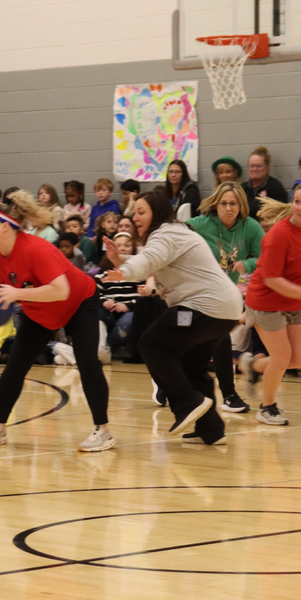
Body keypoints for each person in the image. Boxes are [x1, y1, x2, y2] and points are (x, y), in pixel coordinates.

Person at [100, 190, 242, 445]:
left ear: (158, 212)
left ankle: (188, 402)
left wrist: (124, 269)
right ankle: (210, 429)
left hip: (204, 307)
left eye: (141, 212)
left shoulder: (165, 233)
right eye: (134, 213)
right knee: (191, 365)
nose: (136, 218)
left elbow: (150, 259)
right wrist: (120, 259)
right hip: (223, 310)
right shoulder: (172, 234)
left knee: (150, 344)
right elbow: (152, 259)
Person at [0, 192, 114, 452]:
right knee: (15, 365)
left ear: (5, 226)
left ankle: (104, 432)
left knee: (87, 361)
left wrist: (17, 294)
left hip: (78, 301)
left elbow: (61, 290)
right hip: (40, 311)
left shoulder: (36, 249)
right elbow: (5, 301)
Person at [240, 181, 301, 426]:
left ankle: (252, 364)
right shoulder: (278, 235)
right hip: (265, 301)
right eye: (297, 201)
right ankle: (267, 407)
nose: (300, 207)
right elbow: (271, 280)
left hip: (295, 301)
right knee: (281, 358)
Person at [190, 182, 264, 414]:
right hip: (196, 291)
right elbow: (173, 233)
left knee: (219, 339)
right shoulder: (202, 224)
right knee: (200, 341)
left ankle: (228, 394)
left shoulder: (249, 227)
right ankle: (226, 394)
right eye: (224, 203)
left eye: (233, 203)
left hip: (226, 294)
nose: (229, 208)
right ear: (216, 204)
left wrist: (249, 263)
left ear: (241, 205)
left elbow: (266, 256)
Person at [242, 146, 288, 220]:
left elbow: (282, 214)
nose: (254, 169)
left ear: (266, 167)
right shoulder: (242, 188)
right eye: (252, 166)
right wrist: (259, 203)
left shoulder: (276, 187)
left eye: (258, 166)